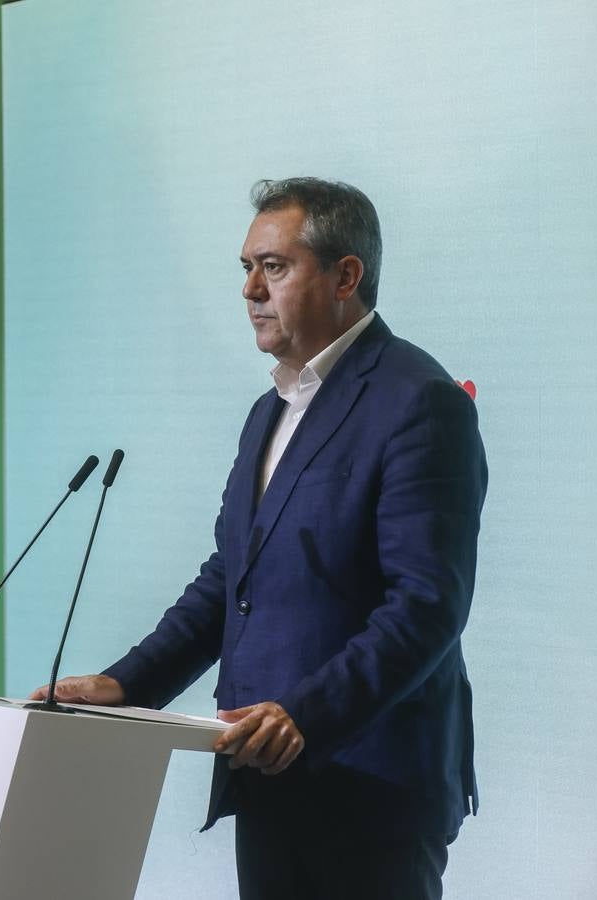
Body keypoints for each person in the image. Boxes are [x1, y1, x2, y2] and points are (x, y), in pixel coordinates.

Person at [33, 178, 487, 899]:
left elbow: (427, 604)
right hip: (268, 769)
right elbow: (230, 577)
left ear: (346, 276)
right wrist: (129, 685)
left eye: (273, 267)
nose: (250, 288)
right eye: (245, 268)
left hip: (370, 784)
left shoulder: (417, 402)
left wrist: (306, 714)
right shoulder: (268, 411)